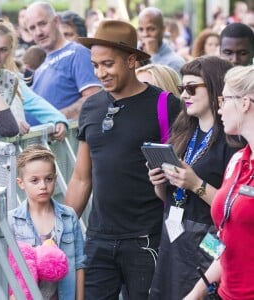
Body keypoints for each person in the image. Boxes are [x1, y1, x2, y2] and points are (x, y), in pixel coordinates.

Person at [65, 19, 181, 299]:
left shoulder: (165, 104)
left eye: (108, 64)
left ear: (131, 60)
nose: (100, 73)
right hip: (98, 239)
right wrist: (61, 229)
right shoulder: (91, 107)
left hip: (147, 240)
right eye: (95, 65)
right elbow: (82, 177)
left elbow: (184, 171)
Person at [148, 56, 239, 300]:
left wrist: (195, 184)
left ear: (214, 88)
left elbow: (234, 208)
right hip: (174, 232)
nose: (184, 95)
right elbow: (168, 198)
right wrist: (159, 183)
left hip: (210, 236)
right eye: (181, 89)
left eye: (191, 88)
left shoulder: (232, 140)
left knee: (202, 292)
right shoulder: (183, 132)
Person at [184, 64, 254, 300]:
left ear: (245, 103)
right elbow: (227, 241)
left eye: (224, 99)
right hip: (225, 293)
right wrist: (195, 294)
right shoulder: (237, 161)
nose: (219, 108)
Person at [8, 144, 85, 300]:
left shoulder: (68, 216)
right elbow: (8, 269)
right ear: (21, 183)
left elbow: (79, 264)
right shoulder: (11, 221)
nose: (43, 186)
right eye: (34, 180)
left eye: (48, 179)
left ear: (55, 179)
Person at [0, 18, 68, 139]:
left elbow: (33, 101)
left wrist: (58, 119)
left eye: (3, 49)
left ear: (10, 50)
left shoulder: (11, 79)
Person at [25, 2, 101, 120]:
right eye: (32, 28)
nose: (38, 32)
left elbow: (94, 98)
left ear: (56, 21)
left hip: (62, 136)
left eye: (42, 24)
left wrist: (56, 119)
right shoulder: (41, 64)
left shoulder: (77, 52)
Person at [137, 7, 185, 74]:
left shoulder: (175, 62)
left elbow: (162, 84)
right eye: (141, 29)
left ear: (163, 29)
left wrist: (153, 55)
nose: (145, 34)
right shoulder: (134, 54)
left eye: (151, 29)